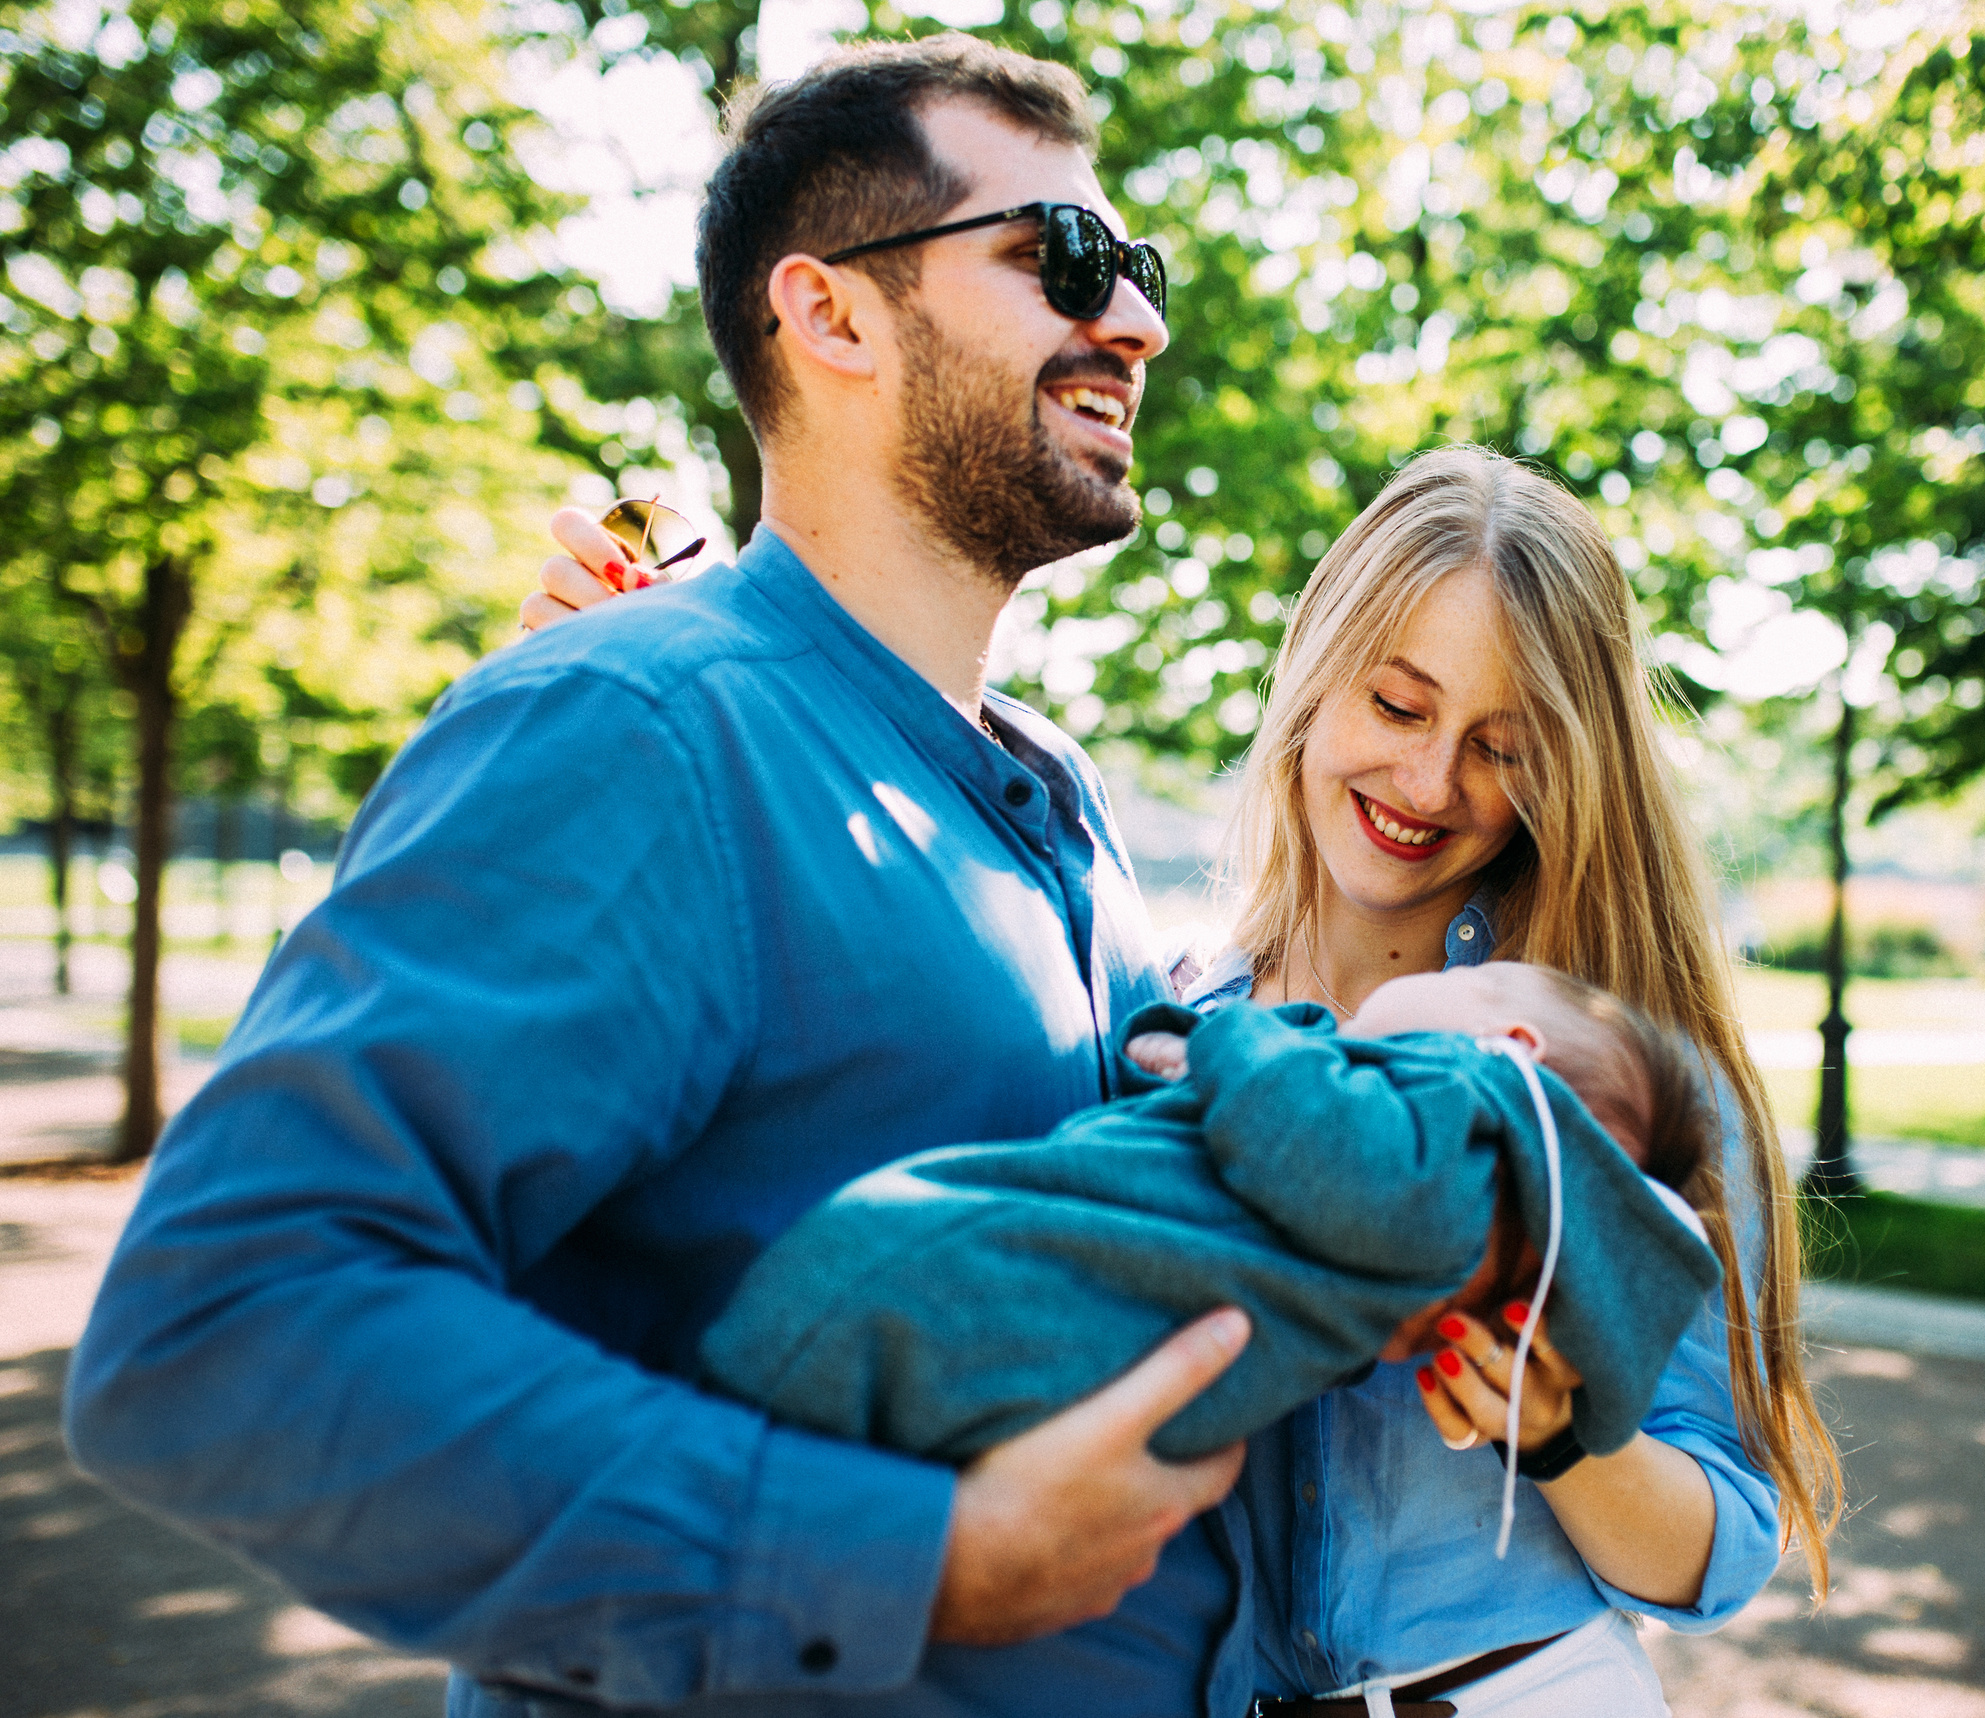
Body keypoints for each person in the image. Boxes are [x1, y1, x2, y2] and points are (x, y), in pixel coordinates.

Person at [68, 36, 1285, 1718]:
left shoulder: (1054, 785)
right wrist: (915, 1556)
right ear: (834, 314)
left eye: (1136, 270)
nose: (1137, 322)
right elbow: (225, 1332)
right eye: (1059, 258)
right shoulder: (631, 726)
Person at [528, 446, 1841, 1715]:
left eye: (1502, 745)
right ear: (1318, 674)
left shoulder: (1593, 1082)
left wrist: (1559, 1435)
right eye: (1398, 704)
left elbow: (1719, 1546)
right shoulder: (1169, 1026)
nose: (1430, 780)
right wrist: (664, 660)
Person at [700, 964, 1721, 1483]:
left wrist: (1235, 1029)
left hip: (964, 1283)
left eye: (1460, 982)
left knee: (847, 1312)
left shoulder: (1447, 1160)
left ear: (1505, 1044)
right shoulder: (1420, 1181)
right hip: (1054, 1329)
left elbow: (1315, 1140)